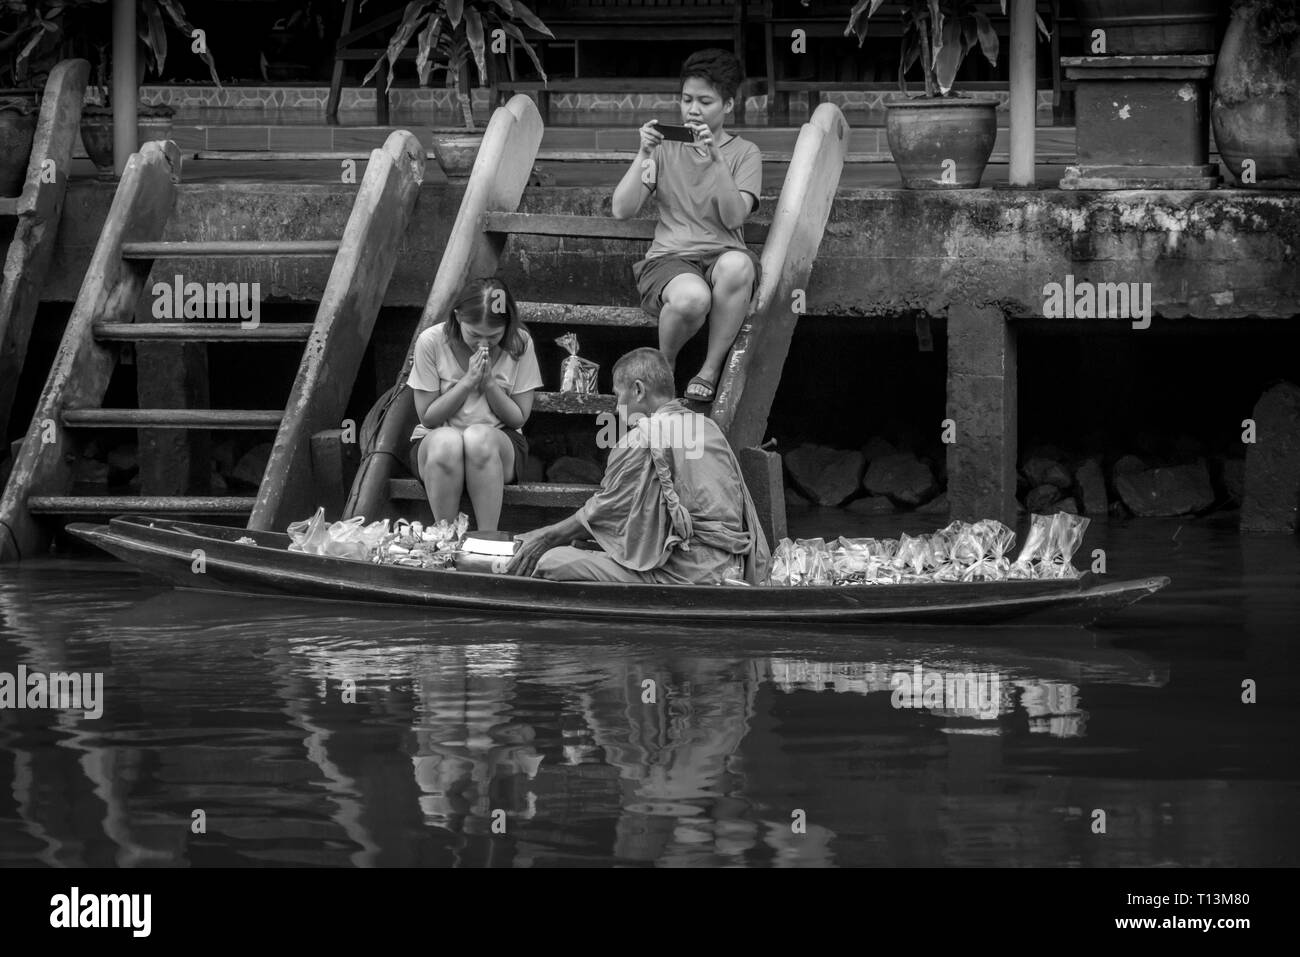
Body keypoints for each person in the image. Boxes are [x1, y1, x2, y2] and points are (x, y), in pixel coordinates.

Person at [506, 348, 770, 585]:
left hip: (688, 572)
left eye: (618, 395)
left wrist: (548, 537)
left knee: (554, 561)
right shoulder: (708, 427)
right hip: (735, 565)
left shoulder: (642, 437)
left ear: (638, 390)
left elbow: (606, 512)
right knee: (582, 544)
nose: (617, 407)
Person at [611, 48, 762, 404]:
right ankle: (666, 370)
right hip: (670, 260)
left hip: (723, 256)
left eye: (705, 102)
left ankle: (709, 370)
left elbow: (733, 217)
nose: (693, 110)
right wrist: (643, 153)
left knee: (738, 264)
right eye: (686, 99)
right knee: (693, 297)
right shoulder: (664, 149)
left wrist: (717, 161)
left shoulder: (745, 153)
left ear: (727, 105)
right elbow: (622, 209)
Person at [407, 277, 542, 532]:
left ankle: (486, 537)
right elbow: (427, 417)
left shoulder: (519, 343)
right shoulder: (431, 341)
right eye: (474, 334)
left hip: (499, 442)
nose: (483, 343)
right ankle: (444, 537)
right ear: (458, 317)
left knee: (477, 438)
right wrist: (467, 382)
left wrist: (490, 383)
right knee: (448, 441)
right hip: (436, 441)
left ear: (507, 325)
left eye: (493, 336)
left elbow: (518, 418)